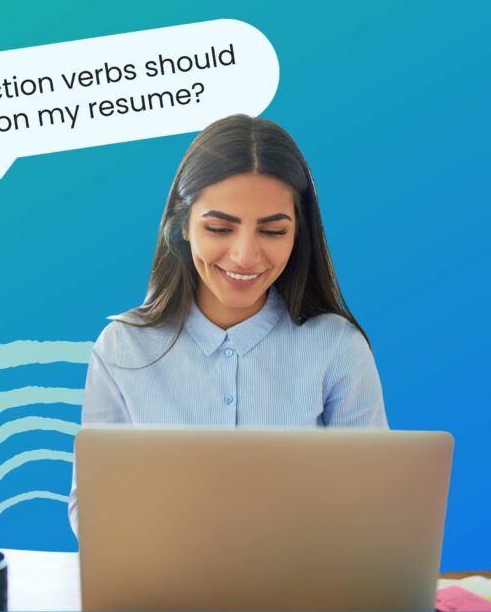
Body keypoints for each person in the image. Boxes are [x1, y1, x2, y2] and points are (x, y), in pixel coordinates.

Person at [67, 114, 387, 537]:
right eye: (219, 227)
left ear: (298, 234)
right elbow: (91, 510)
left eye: (273, 231)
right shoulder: (122, 348)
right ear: (181, 226)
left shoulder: (337, 348)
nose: (245, 256)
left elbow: (376, 504)